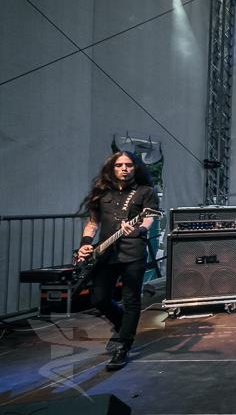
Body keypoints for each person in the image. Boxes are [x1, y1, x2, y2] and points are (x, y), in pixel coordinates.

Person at [75, 151, 159, 371]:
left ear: (135, 168)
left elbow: (149, 218)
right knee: (99, 299)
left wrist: (140, 229)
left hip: (133, 252)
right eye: (119, 165)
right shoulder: (102, 192)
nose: (124, 168)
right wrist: (85, 243)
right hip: (105, 252)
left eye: (128, 165)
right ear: (112, 168)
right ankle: (123, 326)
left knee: (131, 299)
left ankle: (123, 345)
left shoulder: (145, 192)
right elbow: (93, 223)